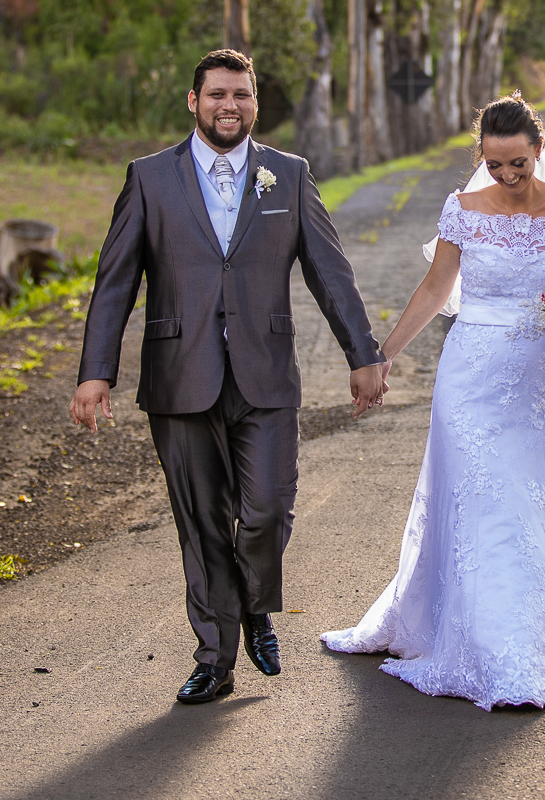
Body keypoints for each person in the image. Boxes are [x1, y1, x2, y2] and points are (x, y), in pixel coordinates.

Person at [70, 49, 386, 704]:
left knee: (267, 509)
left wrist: (363, 355)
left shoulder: (288, 176)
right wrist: (95, 373)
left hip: (265, 376)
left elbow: (331, 274)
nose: (229, 106)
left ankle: (254, 602)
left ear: (254, 104)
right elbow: (114, 284)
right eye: (216, 94)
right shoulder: (150, 178)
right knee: (203, 524)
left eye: (241, 95)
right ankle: (214, 659)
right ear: (194, 102)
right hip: (178, 375)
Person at [321, 92, 545, 710]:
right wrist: (381, 355)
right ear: (482, 156)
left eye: (518, 164)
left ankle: (527, 644)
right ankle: (480, 645)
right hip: (471, 376)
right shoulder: (463, 210)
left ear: (539, 150)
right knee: (480, 508)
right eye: (495, 164)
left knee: (527, 509)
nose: (506, 176)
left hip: (541, 381)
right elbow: (435, 287)